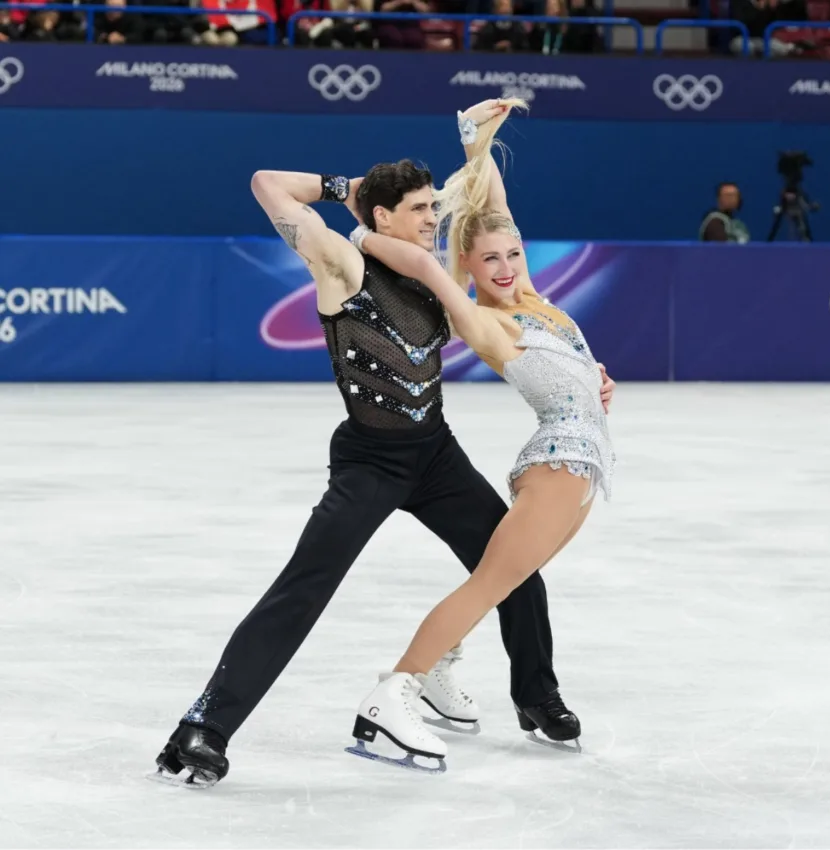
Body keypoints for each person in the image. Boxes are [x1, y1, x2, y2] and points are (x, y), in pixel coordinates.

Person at [153, 111, 615, 786]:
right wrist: (344, 186)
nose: (434, 218)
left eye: (434, 206)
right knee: (302, 590)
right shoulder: (343, 265)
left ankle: (535, 698)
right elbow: (266, 184)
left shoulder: (433, 278)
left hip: (435, 452)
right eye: (422, 209)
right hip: (371, 460)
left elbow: (501, 258)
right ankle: (203, 726)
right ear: (383, 216)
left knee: (513, 564)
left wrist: (584, 371)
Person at [347, 98, 616, 769]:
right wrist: (360, 236)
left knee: (513, 582)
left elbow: (490, 212)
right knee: (491, 585)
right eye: (488, 260)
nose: (504, 264)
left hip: (583, 466)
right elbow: (413, 257)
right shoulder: (488, 321)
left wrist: (477, 144)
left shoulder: (538, 301)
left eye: (513, 253)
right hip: (558, 464)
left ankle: (442, 667)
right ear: (470, 269)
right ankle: (395, 690)